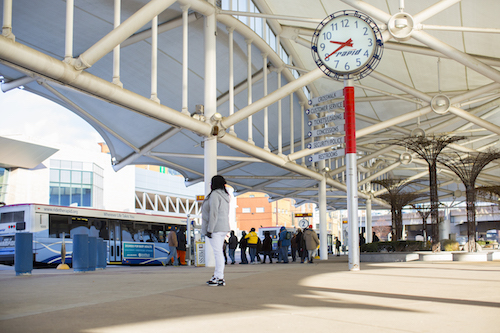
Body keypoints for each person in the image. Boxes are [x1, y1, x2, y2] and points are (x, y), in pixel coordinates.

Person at [201, 175, 230, 287]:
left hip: (216, 228)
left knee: (218, 253)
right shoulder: (225, 195)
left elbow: (214, 213)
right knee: (219, 253)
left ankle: (219, 277)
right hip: (223, 227)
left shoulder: (214, 195)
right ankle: (217, 276)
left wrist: (210, 229)